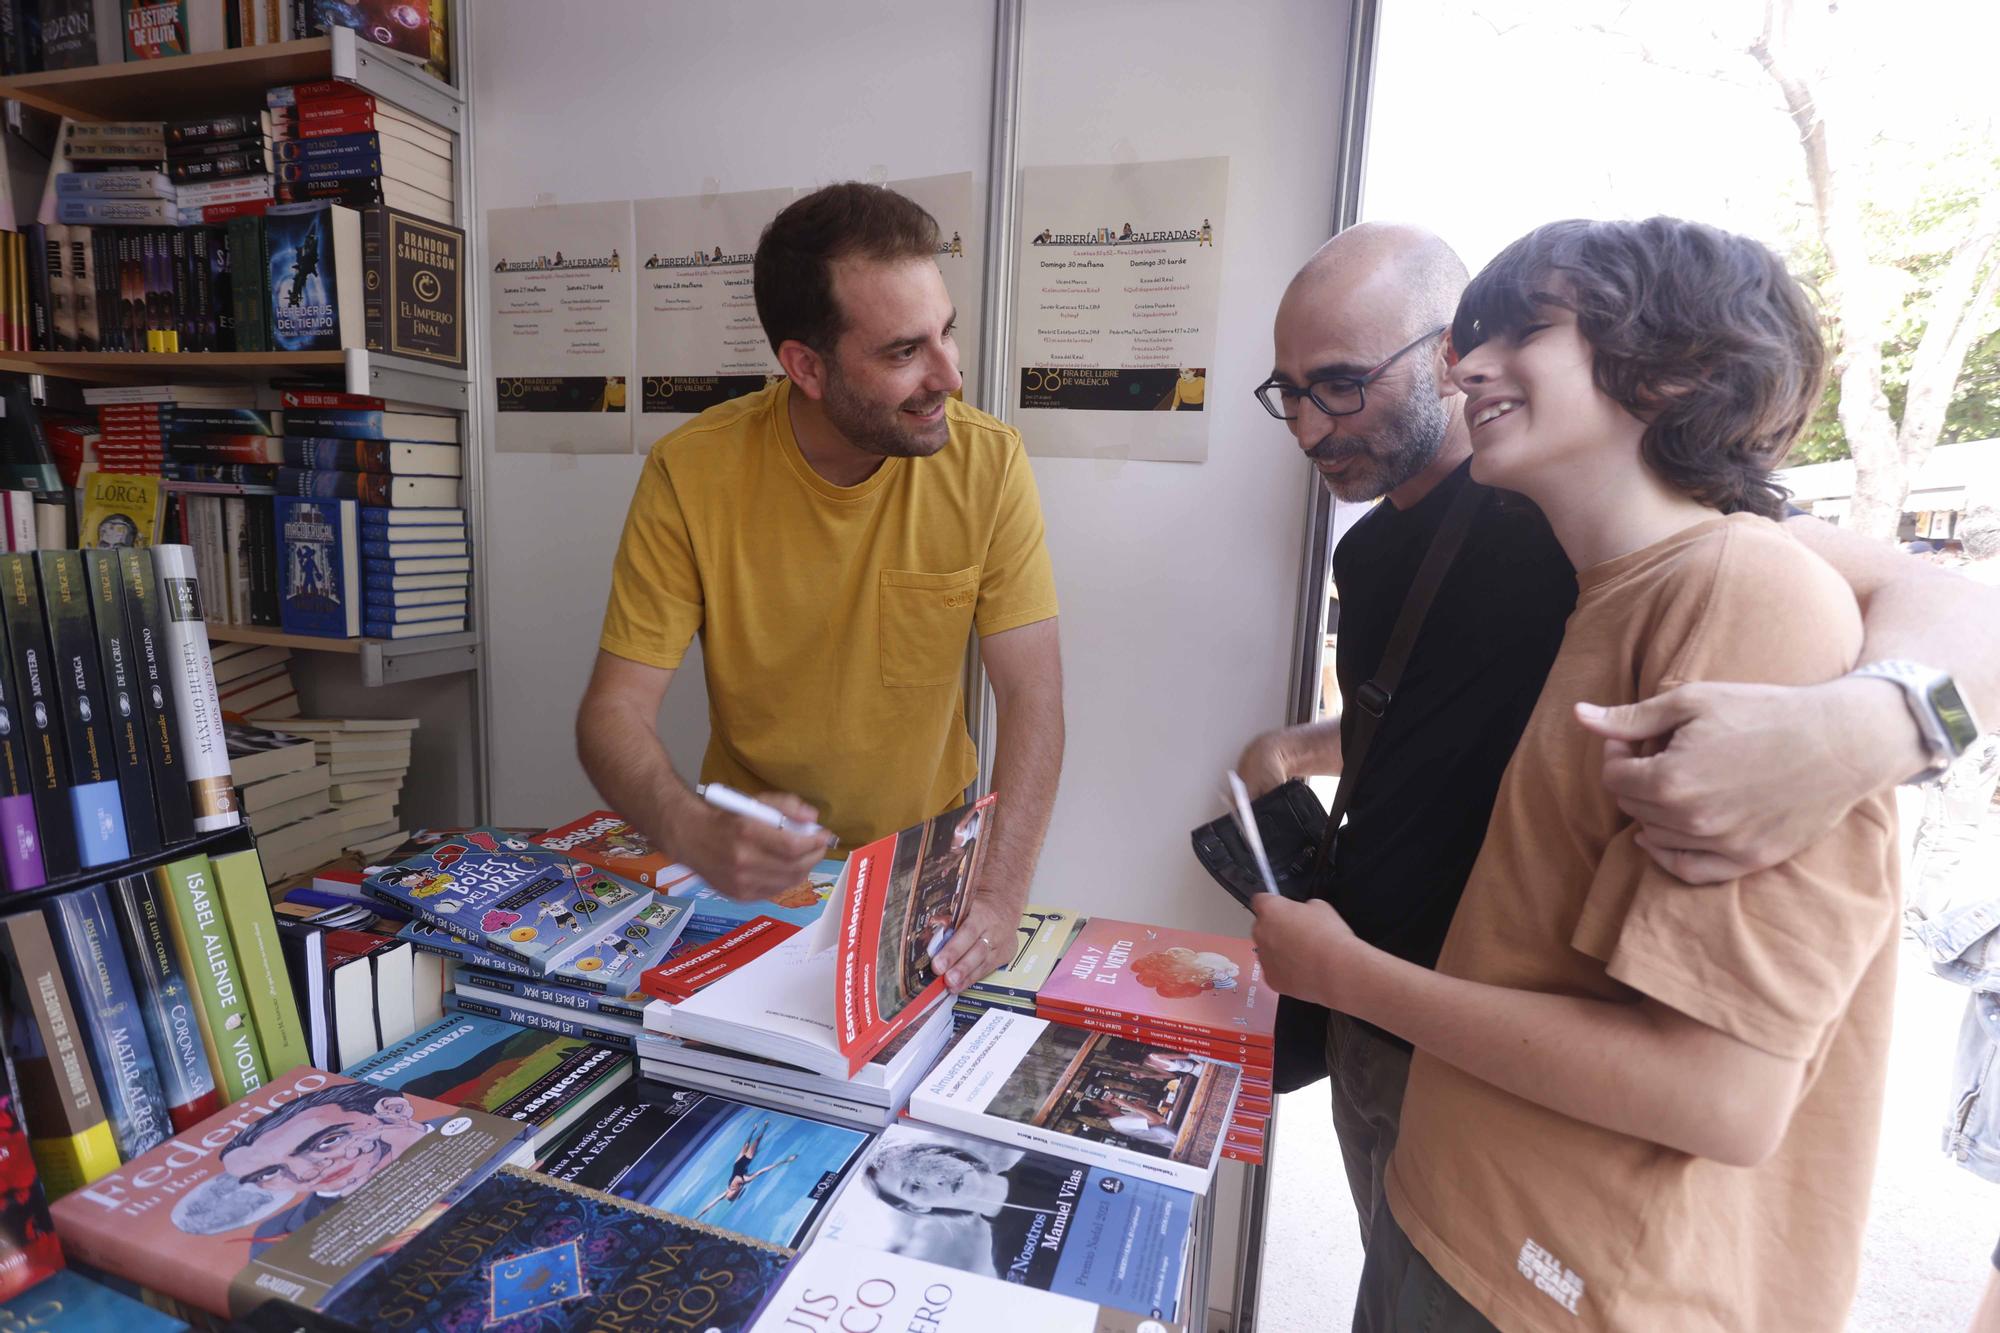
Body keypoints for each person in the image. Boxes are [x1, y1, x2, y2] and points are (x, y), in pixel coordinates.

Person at [1235, 221, 2000, 1246]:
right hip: (1372, 1002)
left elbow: (1947, 603)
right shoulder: (1374, 551)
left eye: (1340, 382)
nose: (1306, 426)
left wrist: (1878, 724)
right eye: (1287, 391)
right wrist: (1302, 746)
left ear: (1437, 356)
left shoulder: (1567, 500)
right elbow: (1441, 696)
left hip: (1512, 1040)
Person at [577, 183, 1065, 993]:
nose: (950, 373)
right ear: (805, 366)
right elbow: (612, 712)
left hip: (925, 873)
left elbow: (1034, 698)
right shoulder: (690, 472)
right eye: (904, 352)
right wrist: (687, 827)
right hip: (747, 880)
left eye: (946, 333)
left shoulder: (989, 464)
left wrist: (1001, 893)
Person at [693, 1120, 797, 1220]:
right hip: (747, 1159)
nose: (731, 1188)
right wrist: (786, 1160)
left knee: (746, 1144)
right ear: (738, 1190)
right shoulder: (746, 1179)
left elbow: (711, 1204)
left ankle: (753, 1129)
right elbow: (764, 1170)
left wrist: (698, 1216)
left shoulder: (728, 1191)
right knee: (756, 1141)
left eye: (729, 1190)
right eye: (733, 1190)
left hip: (737, 1162)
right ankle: (765, 1127)